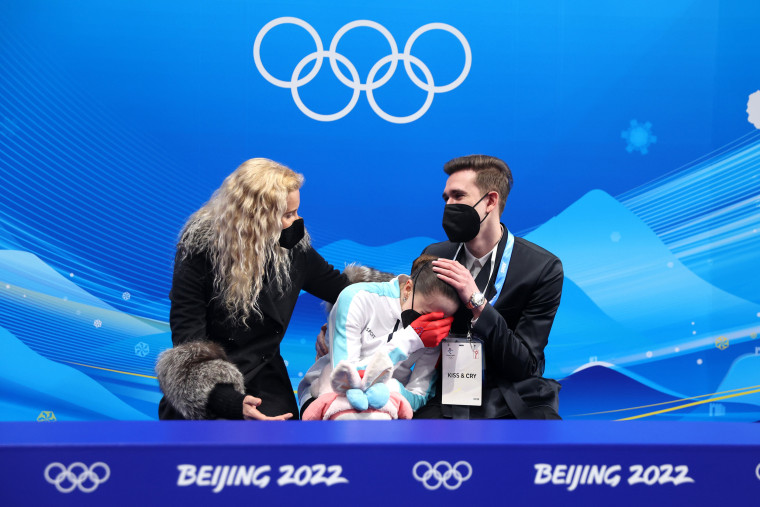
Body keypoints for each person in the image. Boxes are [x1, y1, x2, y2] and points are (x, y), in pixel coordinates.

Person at [155, 158, 379, 420]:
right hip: (211, 388)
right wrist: (229, 402)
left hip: (266, 382)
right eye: (288, 215)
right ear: (256, 220)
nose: (298, 221)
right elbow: (188, 343)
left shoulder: (294, 251)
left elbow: (345, 290)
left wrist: (409, 290)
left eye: (297, 211)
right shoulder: (199, 251)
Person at [415, 154, 564, 419]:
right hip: (444, 393)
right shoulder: (435, 256)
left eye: (458, 196)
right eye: (446, 198)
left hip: (511, 395)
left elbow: (526, 365)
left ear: (490, 202)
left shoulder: (542, 268)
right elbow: (406, 324)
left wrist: (477, 303)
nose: (449, 205)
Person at [299, 255, 458, 419]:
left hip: (388, 403)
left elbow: (420, 395)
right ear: (408, 288)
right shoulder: (358, 297)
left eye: (441, 319)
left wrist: (391, 388)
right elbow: (346, 377)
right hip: (328, 395)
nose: (431, 325)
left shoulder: (437, 332)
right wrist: (410, 339)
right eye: (425, 314)